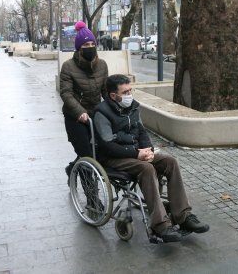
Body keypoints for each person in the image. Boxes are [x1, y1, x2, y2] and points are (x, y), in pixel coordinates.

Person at [93, 74, 210, 242]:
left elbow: (141, 131)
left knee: (170, 162)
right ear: (113, 95)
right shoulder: (101, 112)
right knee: (146, 168)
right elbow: (108, 145)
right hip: (112, 157)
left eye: (130, 90)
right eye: (125, 92)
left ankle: (183, 215)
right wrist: (136, 154)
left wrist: (149, 150)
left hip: (135, 152)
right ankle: (160, 225)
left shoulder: (133, 106)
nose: (129, 95)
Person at [59, 21, 109, 181]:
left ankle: (72, 168)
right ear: (79, 48)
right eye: (86, 44)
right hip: (75, 117)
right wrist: (80, 112)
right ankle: (92, 199)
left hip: (95, 114)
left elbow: (106, 91)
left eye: (92, 43)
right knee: (87, 155)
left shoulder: (102, 65)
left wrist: (115, 109)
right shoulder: (68, 67)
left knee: (100, 149)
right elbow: (66, 94)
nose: (90, 47)